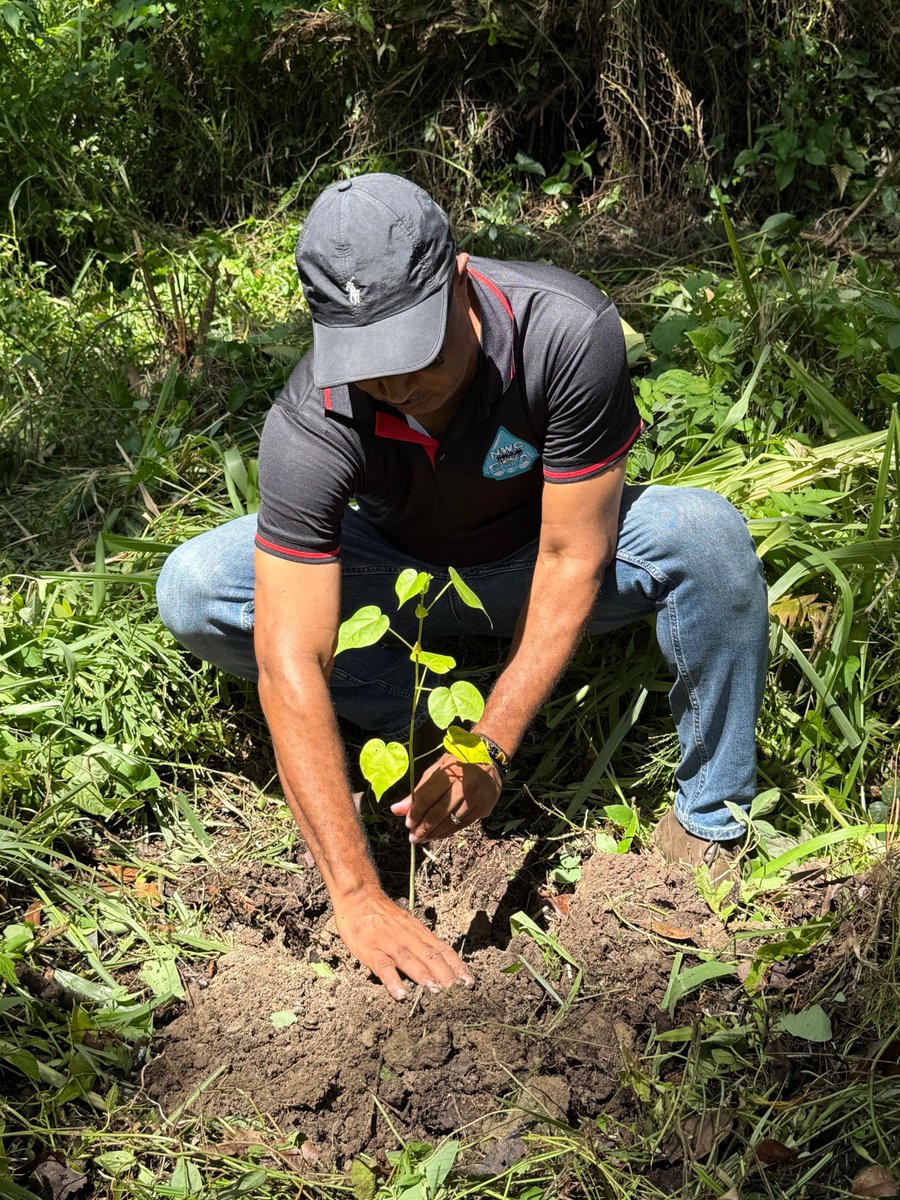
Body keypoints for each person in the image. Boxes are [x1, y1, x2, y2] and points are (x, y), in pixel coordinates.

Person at [157, 173, 769, 1001]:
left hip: (539, 556)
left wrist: (490, 743)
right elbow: (288, 656)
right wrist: (356, 894)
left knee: (704, 536)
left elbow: (571, 558)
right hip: (398, 576)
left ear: (459, 277)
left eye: (413, 351)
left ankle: (710, 823)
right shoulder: (313, 418)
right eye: (370, 364)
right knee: (197, 586)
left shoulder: (565, 332)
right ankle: (415, 717)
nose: (397, 385)